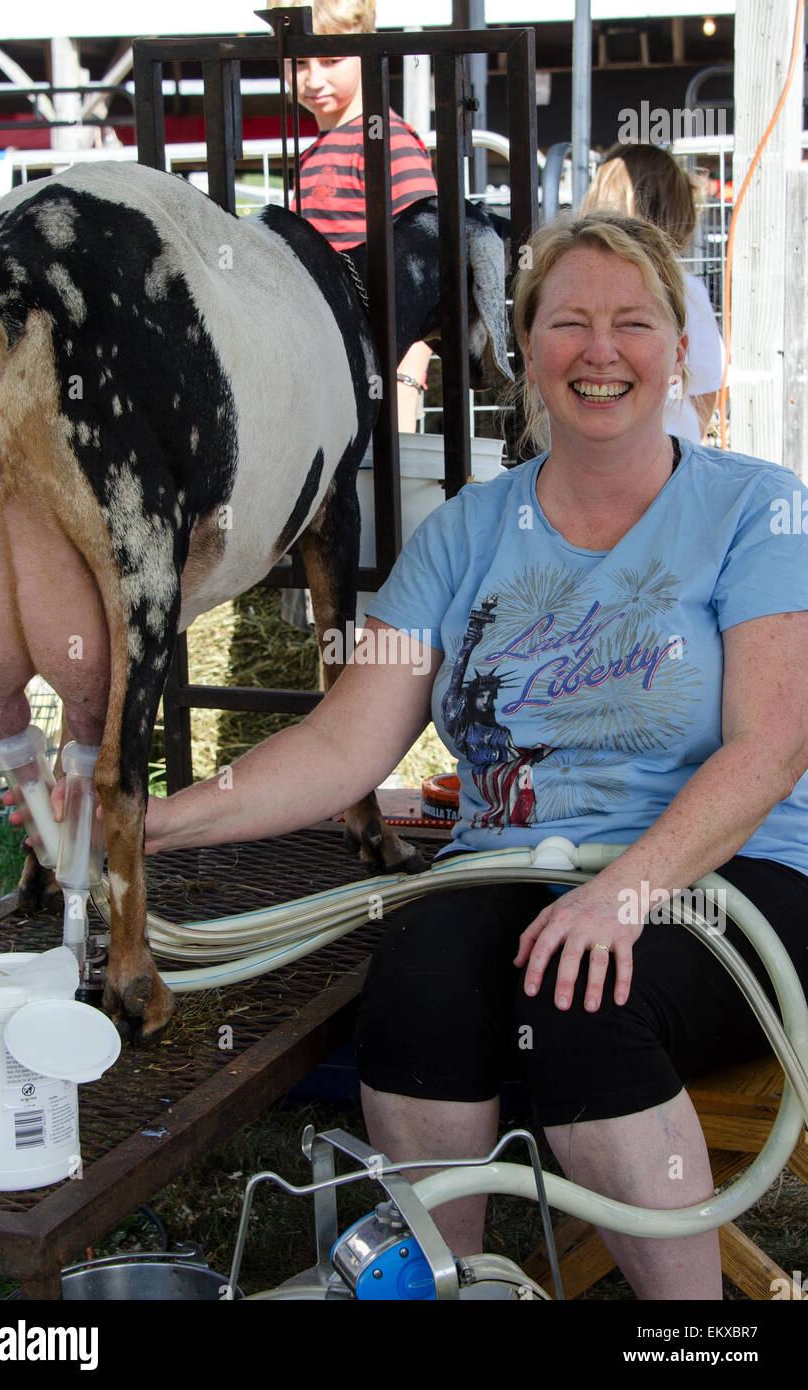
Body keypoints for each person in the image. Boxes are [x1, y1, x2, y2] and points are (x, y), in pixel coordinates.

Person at [143, 209, 808, 1300]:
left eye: (634, 323)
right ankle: (452, 1290)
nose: (602, 351)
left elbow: (772, 749)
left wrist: (624, 896)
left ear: (680, 350)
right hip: (513, 865)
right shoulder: (461, 534)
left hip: (725, 876)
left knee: (588, 997)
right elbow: (344, 743)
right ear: (526, 347)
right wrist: (157, 816)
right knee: (419, 976)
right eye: (569, 323)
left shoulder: (760, 511)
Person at [266, 0, 437, 430]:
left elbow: (425, 265)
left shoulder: (387, 141)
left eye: (330, 59)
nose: (312, 78)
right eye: (300, 62)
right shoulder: (319, 149)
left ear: (364, 50)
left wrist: (405, 377)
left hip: (379, 358)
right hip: (334, 355)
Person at [580, 142, 725, 444]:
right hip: (667, 457)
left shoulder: (575, 284)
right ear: (680, 209)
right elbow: (708, 384)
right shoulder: (687, 291)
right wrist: (685, 437)